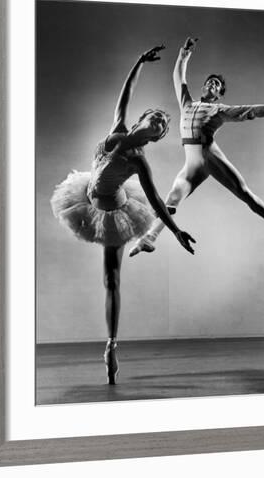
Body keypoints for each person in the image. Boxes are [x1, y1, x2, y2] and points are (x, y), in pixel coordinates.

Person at [51, 45, 196, 385]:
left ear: (156, 138)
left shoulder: (137, 161)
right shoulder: (116, 129)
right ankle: (111, 343)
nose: (160, 123)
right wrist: (138, 62)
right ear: (143, 119)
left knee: (111, 279)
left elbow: (157, 201)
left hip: (114, 212)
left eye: (162, 126)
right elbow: (124, 95)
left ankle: (111, 344)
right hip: (85, 198)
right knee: (109, 279)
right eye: (157, 117)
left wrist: (175, 231)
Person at [129, 37, 264, 258]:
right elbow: (178, 77)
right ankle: (148, 239)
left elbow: (248, 111)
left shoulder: (218, 110)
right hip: (191, 162)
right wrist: (184, 53)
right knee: (172, 198)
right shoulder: (187, 103)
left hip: (210, 155)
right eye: (210, 81)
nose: (212, 84)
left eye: (216, 84)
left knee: (244, 193)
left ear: (218, 95)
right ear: (203, 86)